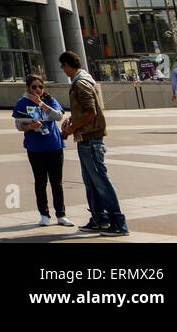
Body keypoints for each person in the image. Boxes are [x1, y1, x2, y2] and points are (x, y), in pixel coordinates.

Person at [59, 50, 128, 235]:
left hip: (90, 140)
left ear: (67, 65)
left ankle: (118, 222)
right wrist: (72, 120)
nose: (63, 70)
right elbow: (85, 110)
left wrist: (72, 128)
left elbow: (91, 112)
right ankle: (100, 218)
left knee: (100, 181)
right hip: (87, 139)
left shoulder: (80, 83)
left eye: (63, 66)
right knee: (91, 182)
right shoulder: (83, 80)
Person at [13, 73, 73, 227]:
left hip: (54, 146)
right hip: (35, 148)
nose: (38, 89)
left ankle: (61, 214)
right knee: (40, 182)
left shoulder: (49, 100)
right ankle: (44, 214)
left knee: (57, 182)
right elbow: (19, 125)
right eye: (34, 87)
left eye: (40, 86)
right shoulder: (22, 103)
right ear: (28, 88)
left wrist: (40, 103)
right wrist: (31, 126)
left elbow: (58, 116)